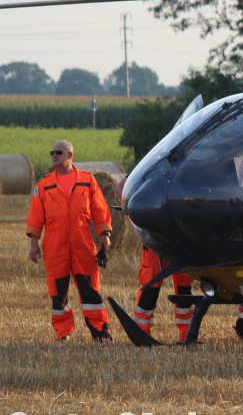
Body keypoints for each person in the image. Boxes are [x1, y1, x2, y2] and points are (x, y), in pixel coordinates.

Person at [25, 140, 113, 342]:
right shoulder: (44, 184)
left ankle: (100, 331)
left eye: (58, 152)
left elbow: (100, 211)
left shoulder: (87, 181)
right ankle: (63, 333)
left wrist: (105, 235)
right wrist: (33, 243)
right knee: (58, 292)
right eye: (52, 153)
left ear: (70, 155)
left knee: (90, 290)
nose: (54, 155)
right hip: (55, 247)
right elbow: (36, 217)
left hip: (83, 245)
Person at [114, 178, 196, 343]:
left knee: (183, 289)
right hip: (156, 238)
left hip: (178, 238)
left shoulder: (181, 168)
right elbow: (120, 188)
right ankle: (142, 331)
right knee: (150, 289)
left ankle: (186, 333)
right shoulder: (153, 168)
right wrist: (129, 214)